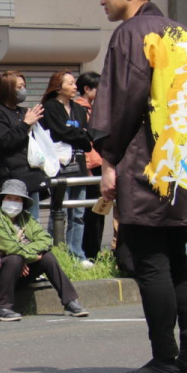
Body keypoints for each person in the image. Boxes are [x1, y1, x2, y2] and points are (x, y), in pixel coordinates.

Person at [89, 0, 187, 373]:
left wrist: (108, 155)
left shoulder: (131, 32)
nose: (102, 0)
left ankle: (165, 358)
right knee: (179, 260)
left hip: (149, 161)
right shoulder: (186, 35)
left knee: (150, 261)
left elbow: (123, 100)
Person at [0, 179, 88, 321]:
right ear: (2, 200)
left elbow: (46, 240)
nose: (13, 202)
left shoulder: (25, 217)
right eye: (9, 198)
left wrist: (26, 257)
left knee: (47, 257)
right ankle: (1, 307)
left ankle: (70, 302)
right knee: (14, 259)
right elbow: (11, 247)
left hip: (20, 270)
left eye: (17, 199)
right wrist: (29, 256)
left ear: (23, 202)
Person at [41, 71, 92, 264]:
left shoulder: (79, 109)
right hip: (59, 165)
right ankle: (56, 253)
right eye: (70, 83)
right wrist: (79, 133)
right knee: (59, 210)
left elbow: (87, 137)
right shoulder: (50, 107)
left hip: (79, 163)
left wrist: (76, 133)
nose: (75, 87)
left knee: (78, 212)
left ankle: (77, 254)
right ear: (58, 86)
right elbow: (59, 132)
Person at [0, 69, 47, 219]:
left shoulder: (23, 112)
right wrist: (26, 124)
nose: (23, 90)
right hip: (11, 175)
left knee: (33, 220)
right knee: (14, 218)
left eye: (24, 86)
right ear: (7, 89)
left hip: (31, 173)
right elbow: (5, 142)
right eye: (19, 87)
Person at [74, 71, 105, 260]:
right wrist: (87, 168)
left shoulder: (94, 109)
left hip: (100, 165)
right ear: (87, 89)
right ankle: (86, 253)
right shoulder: (79, 110)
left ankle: (95, 251)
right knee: (88, 213)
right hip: (89, 167)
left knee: (100, 210)